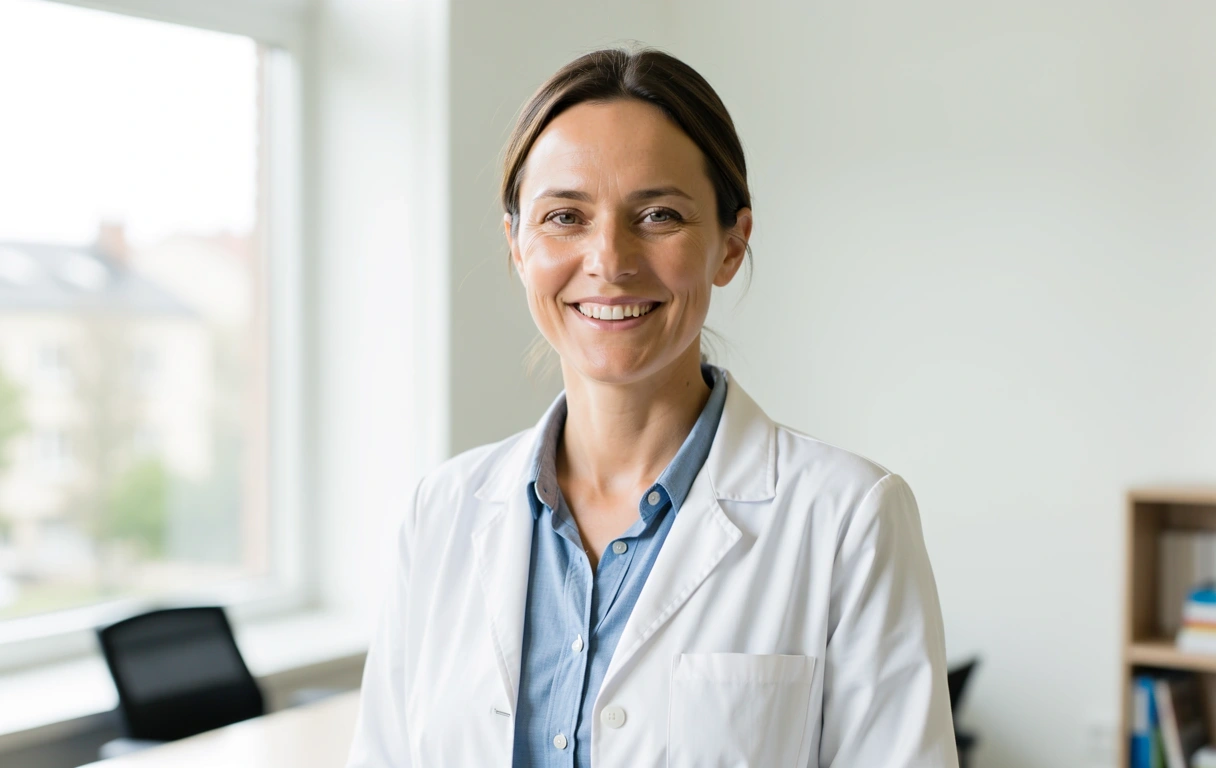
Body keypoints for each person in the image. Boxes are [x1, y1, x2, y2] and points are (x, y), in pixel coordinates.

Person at [347, 47, 958, 768]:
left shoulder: (850, 519)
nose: (609, 259)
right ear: (517, 245)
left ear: (730, 246)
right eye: (565, 216)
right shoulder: (439, 514)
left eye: (658, 215)